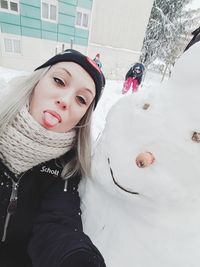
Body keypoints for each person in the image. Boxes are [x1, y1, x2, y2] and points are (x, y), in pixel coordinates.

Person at [0, 49, 106, 267]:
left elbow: (58, 224)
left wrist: (78, 260)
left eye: (81, 99)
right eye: (59, 80)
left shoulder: (66, 169)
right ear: (36, 82)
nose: (65, 100)